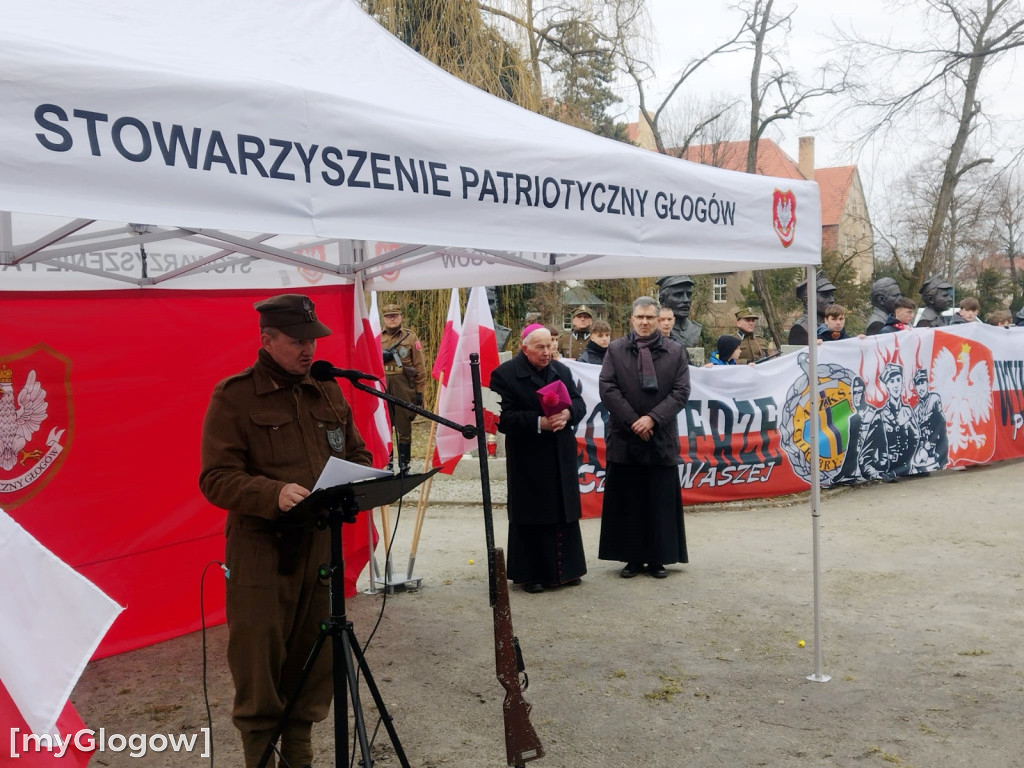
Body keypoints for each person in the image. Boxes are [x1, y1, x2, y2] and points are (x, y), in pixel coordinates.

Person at [199, 294, 373, 768]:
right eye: (296, 341)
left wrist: (362, 478)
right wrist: (271, 493)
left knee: (313, 662)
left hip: (320, 545)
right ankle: (260, 756)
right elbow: (214, 478)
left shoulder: (328, 390)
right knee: (259, 662)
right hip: (262, 551)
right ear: (267, 340)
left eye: (311, 341)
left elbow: (356, 454)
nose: (307, 350)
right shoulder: (234, 396)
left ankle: (300, 755)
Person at [488, 325, 588, 593]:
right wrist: (538, 422)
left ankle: (567, 570)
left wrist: (568, 415)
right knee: (533, 513)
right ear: (525, 349)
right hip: (528, 456)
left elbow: (579, 404)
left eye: (550, 346)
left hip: (560, 451)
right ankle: (532, 574)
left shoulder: (562, 370)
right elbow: (502, 418)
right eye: (541, 348)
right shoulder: (504, 375)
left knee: (563, 511)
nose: (547, 353)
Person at [598, 297, 690, 579]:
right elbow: (607, 387)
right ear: (632, 319)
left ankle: (658, 558)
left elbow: (681, 391)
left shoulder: (675, 351)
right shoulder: (615, 349)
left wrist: (652, 419)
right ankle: (631, 558)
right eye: (640, 317)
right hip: (625, 436)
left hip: (660, 436)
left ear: (658, 319)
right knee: (628, 500)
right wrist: (633, 420)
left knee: (658, 500)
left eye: (650, 317)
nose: (645, 322)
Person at [380, 303, 427, 475]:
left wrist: (420, 392)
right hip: (383, 384)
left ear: (401, 317)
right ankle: (388, 463)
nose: (392, 319)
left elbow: (419, 366)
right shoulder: (377, 337)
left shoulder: (410, 337)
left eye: (395, 315)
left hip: (403, 386)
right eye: (388, 316)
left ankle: (404, 465)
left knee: (403, 426)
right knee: (385, 426)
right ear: (384, 318)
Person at [860, 362, 918, 482]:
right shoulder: (880, 416)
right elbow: (865, 458)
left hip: (908, 470)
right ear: (887, 386)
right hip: (886, 469)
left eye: (898, 380)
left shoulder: (907, 411)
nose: (896, 385)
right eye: (892, 382)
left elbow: (916, 440)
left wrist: (907, 424)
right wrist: (878, 475)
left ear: (902, 383)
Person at [911, 368, 948, 473]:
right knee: (915, 464)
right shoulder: (916, 410)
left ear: (927, 384)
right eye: (918, 384)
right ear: (915, 388)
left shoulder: (934, 399)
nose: (921, 387)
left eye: (923, 383)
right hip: (923, 449)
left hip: (937, 446)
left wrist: (931, 444)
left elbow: (941, 423)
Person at [788, 271, 837, 345]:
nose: (832, 300)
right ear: (807, 300)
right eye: (825, 295)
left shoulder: (834, 325)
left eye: (831, 295)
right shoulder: (800, 329)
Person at [656, 275, 703, 347]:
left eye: (689, 294)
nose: (686, 300)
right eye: (678, 295)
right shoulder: (654, 330)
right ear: (662, 300)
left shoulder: (695, 329)